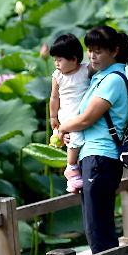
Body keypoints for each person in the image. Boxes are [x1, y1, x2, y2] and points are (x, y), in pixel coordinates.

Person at [59, 26, 128, 255]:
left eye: (99, 50)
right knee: (101, 223)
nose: (92, 55)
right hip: (95, 157)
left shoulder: (113, 79)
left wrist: (64, 127)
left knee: (97, 227)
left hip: (101, 158)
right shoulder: (99, 77)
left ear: (114, 51)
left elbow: (87, 118)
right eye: (90, 50)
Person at [48, 33, 89, 183]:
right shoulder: (57, 76)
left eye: (59, 60)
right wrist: (53, 117)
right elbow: (54, 97)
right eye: (55, 60)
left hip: (84, 113)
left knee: (81, 139)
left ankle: (76, 166)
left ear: (74, 59)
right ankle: (71, 168)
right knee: (76, 137)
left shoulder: (86, 70)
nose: (56, 64)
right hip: (68, 114)